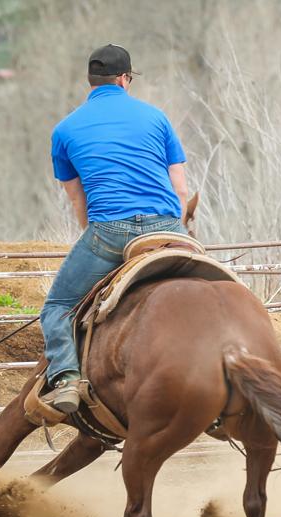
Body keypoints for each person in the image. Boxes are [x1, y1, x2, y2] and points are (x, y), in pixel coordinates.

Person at [41, 44, 189, 414]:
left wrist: (98, 239)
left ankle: (67, 380)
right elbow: (181, 189)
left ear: (90, 82)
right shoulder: (156, 118)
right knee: (222, 286)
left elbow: (79, 204)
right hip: (168, 229)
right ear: (126, 79)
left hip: (111, 232)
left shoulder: (65, 130)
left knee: (57, 307)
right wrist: (177, 228)